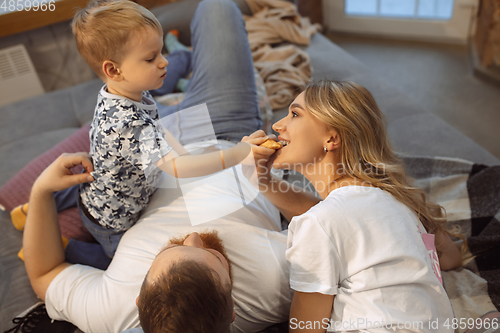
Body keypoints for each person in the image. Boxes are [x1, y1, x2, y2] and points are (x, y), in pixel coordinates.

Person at [22, 0, 296, 332]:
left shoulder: (111, 312)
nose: (193, 236)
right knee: (218, 7)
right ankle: (182, 61)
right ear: (234, 307)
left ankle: (181, 63)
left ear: (139, 298)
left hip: (164, 147)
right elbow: (338, 220)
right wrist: (251, 163)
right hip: (228, 134)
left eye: (171, 248)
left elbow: (43, 274)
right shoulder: (277, 283)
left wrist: (40, 193)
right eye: (218, 260)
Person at [248, 80, 463, 332]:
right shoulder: (397, 203)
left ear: (332, 137)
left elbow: (306, 327)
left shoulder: (322, 222)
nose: (276, 125)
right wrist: (262, 180)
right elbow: (450, 258)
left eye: (295, 114)